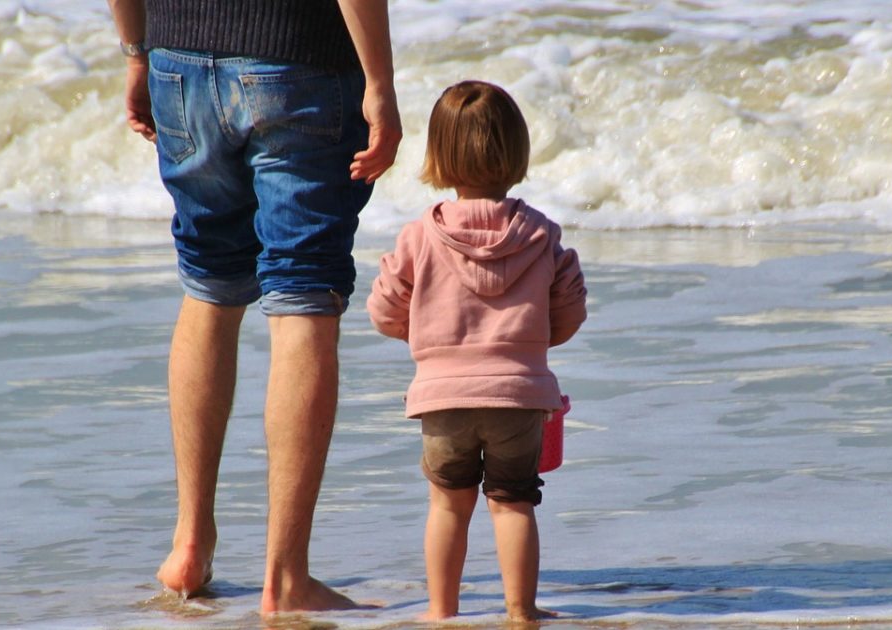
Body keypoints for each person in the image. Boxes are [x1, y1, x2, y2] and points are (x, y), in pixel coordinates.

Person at [105, 0, 401, 615]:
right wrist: (379, 83)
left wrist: (136, 54)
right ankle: (286, 576)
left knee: (209, 286)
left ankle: (189, 544)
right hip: (299, 59)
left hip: (177, 57)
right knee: (303, 297)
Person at [366, 80, 587, 622]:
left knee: (448, 504)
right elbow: (568, 312)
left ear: (437, 155)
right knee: (513, 503)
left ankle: (441, 611)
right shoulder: (541, 234)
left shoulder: (420, 236)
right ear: (517, 152)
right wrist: (531, 345)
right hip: (519, 395)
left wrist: (429, 343)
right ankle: (521, 611)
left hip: (441, 398)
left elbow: (383, 309)